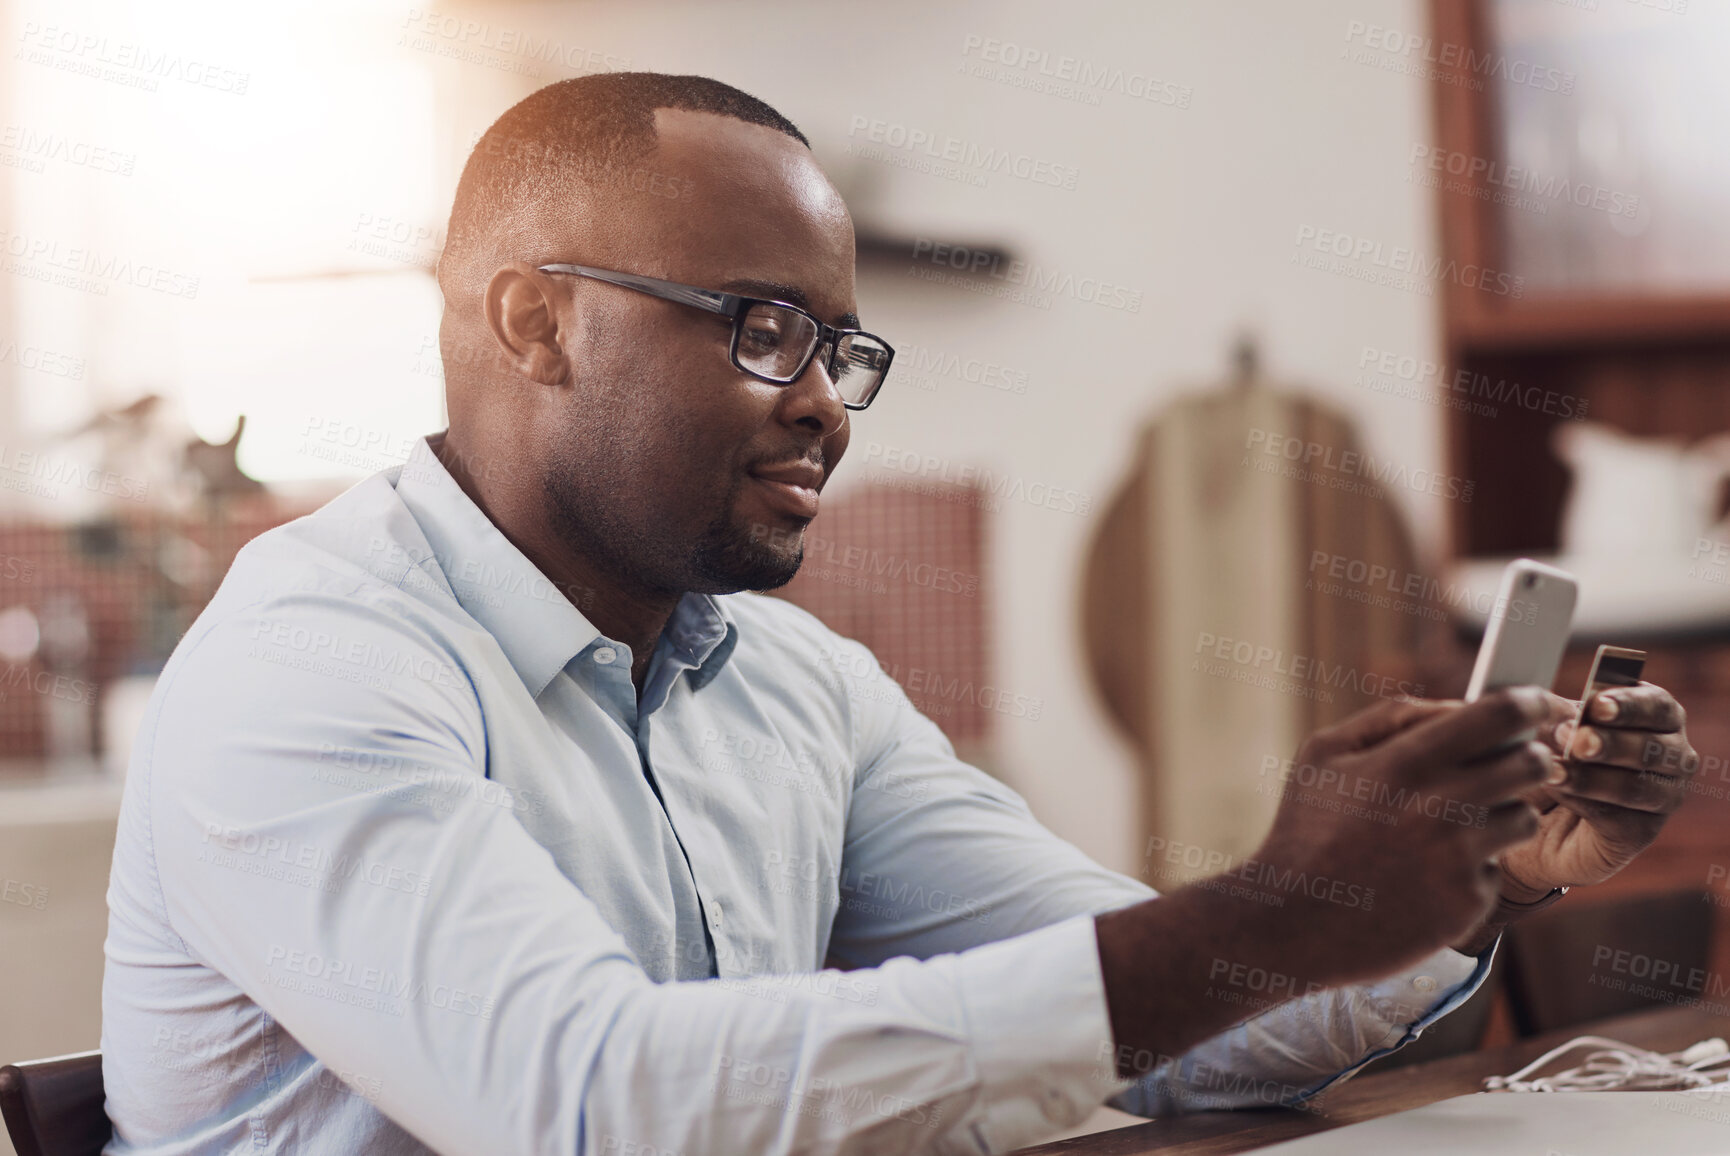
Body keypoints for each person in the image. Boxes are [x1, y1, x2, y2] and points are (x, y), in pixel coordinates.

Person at [100, 72, 1697, 1155]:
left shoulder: (793, 685)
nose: (825, 407)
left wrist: (1457, 887)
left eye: (842, 351)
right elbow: (580, 1102)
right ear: (536, 322)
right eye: (764, 329)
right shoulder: (315, 661)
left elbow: (1170, 1021)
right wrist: (1268, 912)